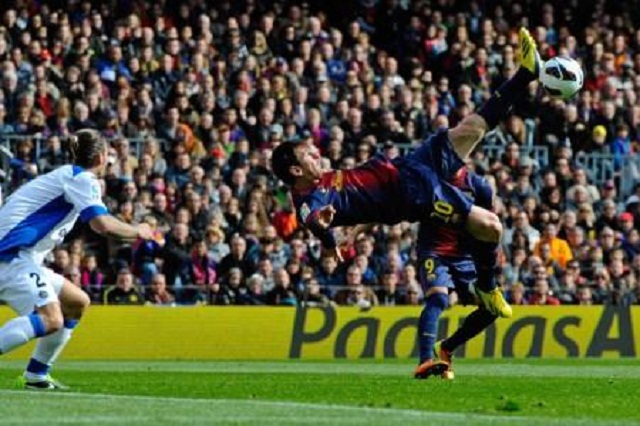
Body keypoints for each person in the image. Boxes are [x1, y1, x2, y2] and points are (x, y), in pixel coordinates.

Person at [272, 28, 541, 318]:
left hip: (407, 166)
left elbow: (368, 204)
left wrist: (357, 228)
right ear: (296, 170)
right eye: (310, 155)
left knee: (472, 128)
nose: (317, 154)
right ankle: (487, 288)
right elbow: (312, 220)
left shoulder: (324, 181)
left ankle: (527, 73)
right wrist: (326, 240)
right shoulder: (307, 199)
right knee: (491, 226)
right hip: (414, 195)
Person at [0, 129, 154, 390]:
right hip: (11, 256)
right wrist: (138, 231)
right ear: (102, 156)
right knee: (51, 319)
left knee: (76, 302)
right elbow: (102, 224)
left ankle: (37, 375)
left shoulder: (67, 177)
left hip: (20, 257)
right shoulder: (82, 179)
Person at [413, 167, 498, 380]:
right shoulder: (427, 179)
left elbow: (486, 224)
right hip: (434, 251)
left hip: (465, 257)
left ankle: (447, 348)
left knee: (491, 308)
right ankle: (425, 361)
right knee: (438, 299)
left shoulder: (479, 186)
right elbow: (391, 208)